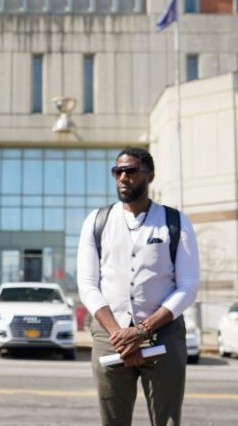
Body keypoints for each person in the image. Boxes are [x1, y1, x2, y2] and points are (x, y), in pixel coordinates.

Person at [77, 147, 199, 426]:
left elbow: (188, 285)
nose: (123, 177)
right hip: (110, 337)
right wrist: (120, 334)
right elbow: (87, 284)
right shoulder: (97, 221)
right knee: (113, 421)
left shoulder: (175, 221)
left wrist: (142, 331)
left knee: (166, 421)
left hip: (163, 336)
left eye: (131, 171)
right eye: (117, 171)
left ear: (149, 175)